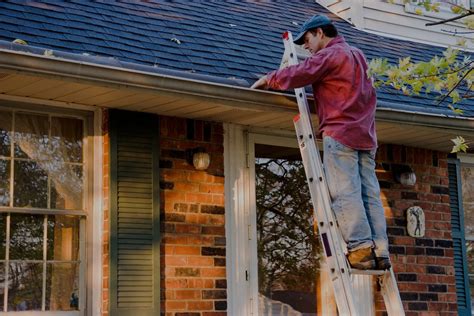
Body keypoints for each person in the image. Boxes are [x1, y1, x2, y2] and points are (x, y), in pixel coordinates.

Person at [251, 14, 390, 270]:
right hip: (366, 136)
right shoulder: (358, 55)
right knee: (369, 193)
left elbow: (303, 72)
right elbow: (365, 97)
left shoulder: (331, 55)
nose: (305, 47)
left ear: (320, 33)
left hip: (341, 135)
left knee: (344, 192)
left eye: (306, 40)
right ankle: (380, 251)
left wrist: (271, 78)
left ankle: (360, 249)